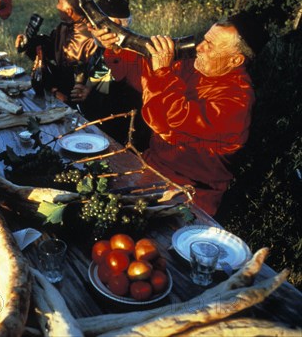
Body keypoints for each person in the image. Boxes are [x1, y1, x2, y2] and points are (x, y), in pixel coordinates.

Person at [93, 12, 268, 215]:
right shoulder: (195, 67)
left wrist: (162, 72)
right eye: (204, 39)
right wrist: (116, 47)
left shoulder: (237, 103)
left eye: (210, 45)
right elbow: (143, 75)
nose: (199, 47)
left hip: (189, 195)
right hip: (149, 167)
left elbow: (168, 119)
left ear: (235, 60)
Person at [70, 0, 151, 147]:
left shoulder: (132, 54)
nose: (90, 26)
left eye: (96, 23)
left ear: (116, 25)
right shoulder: (102, 49)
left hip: (122, 137)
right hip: (102, 127)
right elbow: (103, 69)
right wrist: (88, 88)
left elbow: (117, 93)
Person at [15, 0, 97, 105]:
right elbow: (50, 48)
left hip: (78, 99)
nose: (56, 6)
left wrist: (59, 93)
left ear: (69, 11)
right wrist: (28, 42)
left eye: (59, 2)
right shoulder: (64, 27)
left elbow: (83, 78)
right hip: (59, 90)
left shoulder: (91, 36)